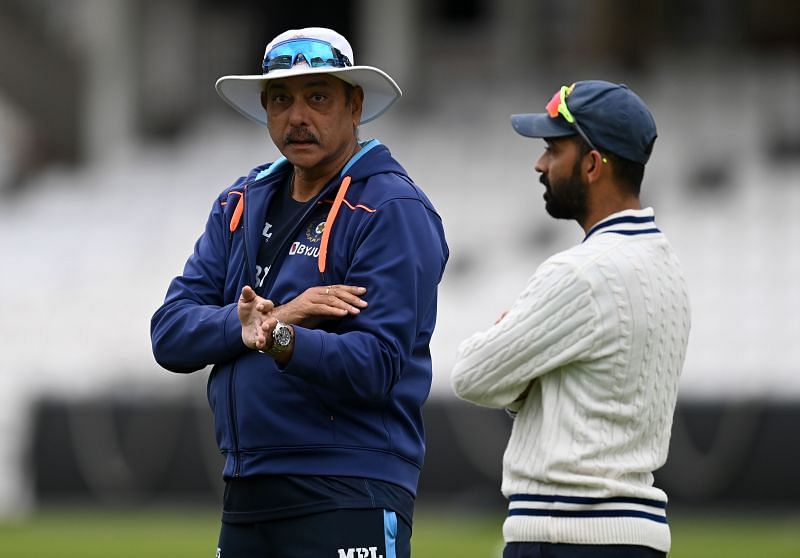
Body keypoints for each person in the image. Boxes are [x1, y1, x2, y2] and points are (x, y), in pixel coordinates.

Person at [151, 27, 448, 558]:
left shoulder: (392, 209)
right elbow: (169, 334)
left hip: (349, 490)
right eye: (282, 100)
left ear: (354, 105)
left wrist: (277, 336)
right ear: (264, 109)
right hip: (246, 490)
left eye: (317, 97)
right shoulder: (238, 202)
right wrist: (270, 323)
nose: (298, 117)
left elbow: (377, 364)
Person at [451, 81, 691, 558]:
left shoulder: (581, 273)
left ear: (592, 164)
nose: (540, 165)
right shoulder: (668, 270)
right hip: (636, 537)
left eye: (552, 149)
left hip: (565, 535)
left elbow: (471, 376)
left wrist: (516, 358)